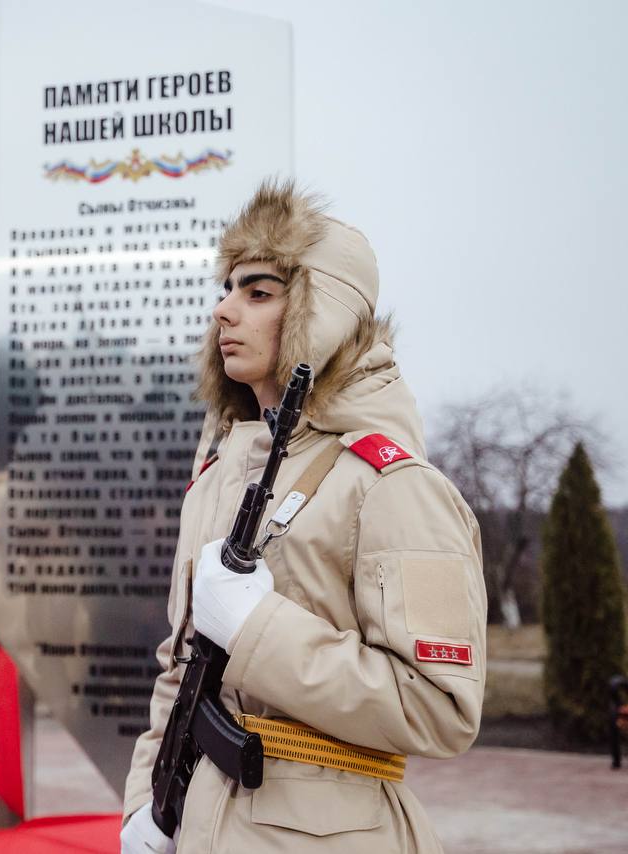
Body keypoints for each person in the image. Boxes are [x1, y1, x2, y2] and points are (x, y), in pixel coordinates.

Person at [121, 181, 486, 853]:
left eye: (258, 293)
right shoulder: (217, 477)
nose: (224, 311)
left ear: (323, 313)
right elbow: (178, 672)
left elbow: (441, 707)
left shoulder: (390, 484)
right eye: (226, 289)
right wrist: (146, 803)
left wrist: (262, 630)